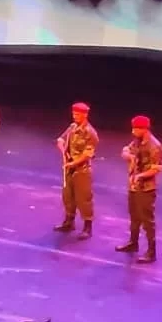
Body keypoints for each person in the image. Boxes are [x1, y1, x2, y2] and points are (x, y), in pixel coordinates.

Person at [116, 115, 162, 264]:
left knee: (147, 221)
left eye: (135, 129)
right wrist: (129, 156)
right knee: (134, 217)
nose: (133, 132)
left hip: (146, 189)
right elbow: (125, 150)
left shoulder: (154, 146)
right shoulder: (137, 141)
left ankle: (151, 251)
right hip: (134, 187)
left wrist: (140, 176)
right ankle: (133, 242)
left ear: (144, 129)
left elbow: (156, 169)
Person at [53, 102, 99, 239]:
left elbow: (87, 154)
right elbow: (60, 140)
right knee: (68, 196)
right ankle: (69, 222)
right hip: (69, 168)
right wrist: (64, 152)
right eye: (74, 114)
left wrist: (73, 163)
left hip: (81, 170)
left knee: (84, 199)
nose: (75, 117)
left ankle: (87, 227)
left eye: (78, 114)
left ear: (85, 115)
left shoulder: (90, 132)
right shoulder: (72, 127)